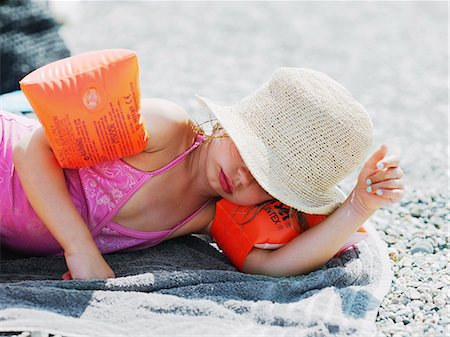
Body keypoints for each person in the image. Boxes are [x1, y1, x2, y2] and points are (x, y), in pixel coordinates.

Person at [0, 68, 405, 280]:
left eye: (266, 181)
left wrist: (357, 207)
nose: (244, 178)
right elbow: (32, 147)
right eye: (248, 152)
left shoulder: (205, 215)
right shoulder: (166, 129)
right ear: (230, 127)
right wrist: (80, 249)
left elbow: (271, 267)